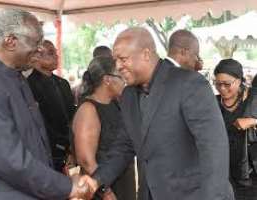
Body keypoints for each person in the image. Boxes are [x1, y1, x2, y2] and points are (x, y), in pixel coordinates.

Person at [0, 8, 94, 200]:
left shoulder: (15, 77)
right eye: (35, 42)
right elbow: (8, 160)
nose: (39, 49)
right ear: (10, 41)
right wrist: (66, 187)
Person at [89, 27, 234, 200]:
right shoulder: (128, 96)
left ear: (146, 54)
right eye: (115, 60)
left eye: (123, 59)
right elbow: (124, 147)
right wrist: (96, 181)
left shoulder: (189, 83)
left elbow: (213, 148)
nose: (118, 66)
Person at [72, 56, 136, 200]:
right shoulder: (88, 109)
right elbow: (86, 161)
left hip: (121, 183)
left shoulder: (116, 104)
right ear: (107, 80)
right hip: (101, 190)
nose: (124, 80)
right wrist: (106, 193)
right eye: (120, 75)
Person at [27, 40, 76, 172]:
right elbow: (39, 123)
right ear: (35, 57)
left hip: (71, 147)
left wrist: (72, 143)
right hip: (48, 151)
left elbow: (73, 115)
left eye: (56, 52)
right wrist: (62, 146)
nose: (56, 56)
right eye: (51, 53)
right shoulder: (29, 86)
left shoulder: (63, 83)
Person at [214, 59, 257, 199]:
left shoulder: (253, 99)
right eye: (217, 84)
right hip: (222, 176)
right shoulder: (212, 102)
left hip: (250, 176)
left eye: (227, 84)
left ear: (239, 81)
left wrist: (253, 121)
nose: (222, 89)